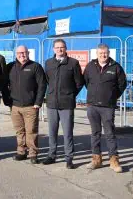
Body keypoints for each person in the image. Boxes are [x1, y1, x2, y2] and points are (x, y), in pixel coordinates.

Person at [84, 43, 126, 173]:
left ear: (109, 53)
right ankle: (96, 159)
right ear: (97, 54)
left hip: (108, 107)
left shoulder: (116, 67)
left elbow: (122, 84)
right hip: (92, 106)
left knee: (109, 134)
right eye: (101, 53)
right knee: (95, 133)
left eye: (105, 53)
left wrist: (112, 96)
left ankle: (114, 161)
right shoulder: (90, 66)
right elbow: (86, 82)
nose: (103, 55)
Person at [42, 39, 84, 169]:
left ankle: (69, 158)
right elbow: (47, 80)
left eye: (62, 47)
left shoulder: (73, 63)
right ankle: (51, 155)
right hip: (52, 104)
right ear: (53, 49)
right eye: (57, 47)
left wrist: (70, 95)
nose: (60, 49)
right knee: (52, 131)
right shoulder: (48, 63)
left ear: (65, 49)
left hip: (67, 103)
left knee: (67, 132)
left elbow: (79, 83)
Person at [3, 45, 47, 164]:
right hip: (15, 106)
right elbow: (4, 85)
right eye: (19, 53)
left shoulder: (35, 67)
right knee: (19, 131)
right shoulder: (10, 67)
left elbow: (42, 85)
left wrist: (38, 102)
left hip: (31, 106)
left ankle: (33, 153)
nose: (22, 55)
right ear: (16, 54)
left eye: (24, 52)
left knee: (31, 131)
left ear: (28, 53)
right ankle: (21, 152)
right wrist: (7, 100)